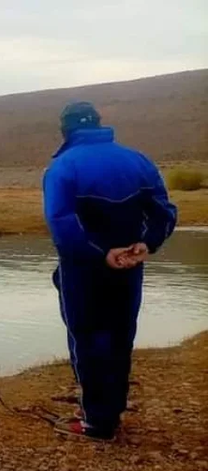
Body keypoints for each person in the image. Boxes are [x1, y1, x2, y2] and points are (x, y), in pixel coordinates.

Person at [43, 102, 178, 441]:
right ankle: (111, 413)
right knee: (120, 336)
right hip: (130, 266)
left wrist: (100, 255)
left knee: (86, 339)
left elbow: (62, 225)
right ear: (99, 125)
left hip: (84, 271)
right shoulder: (138, 160)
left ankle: (96, 423)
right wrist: (148, 244)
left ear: (66, 129)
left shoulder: (63, 167)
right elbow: (163, 211)